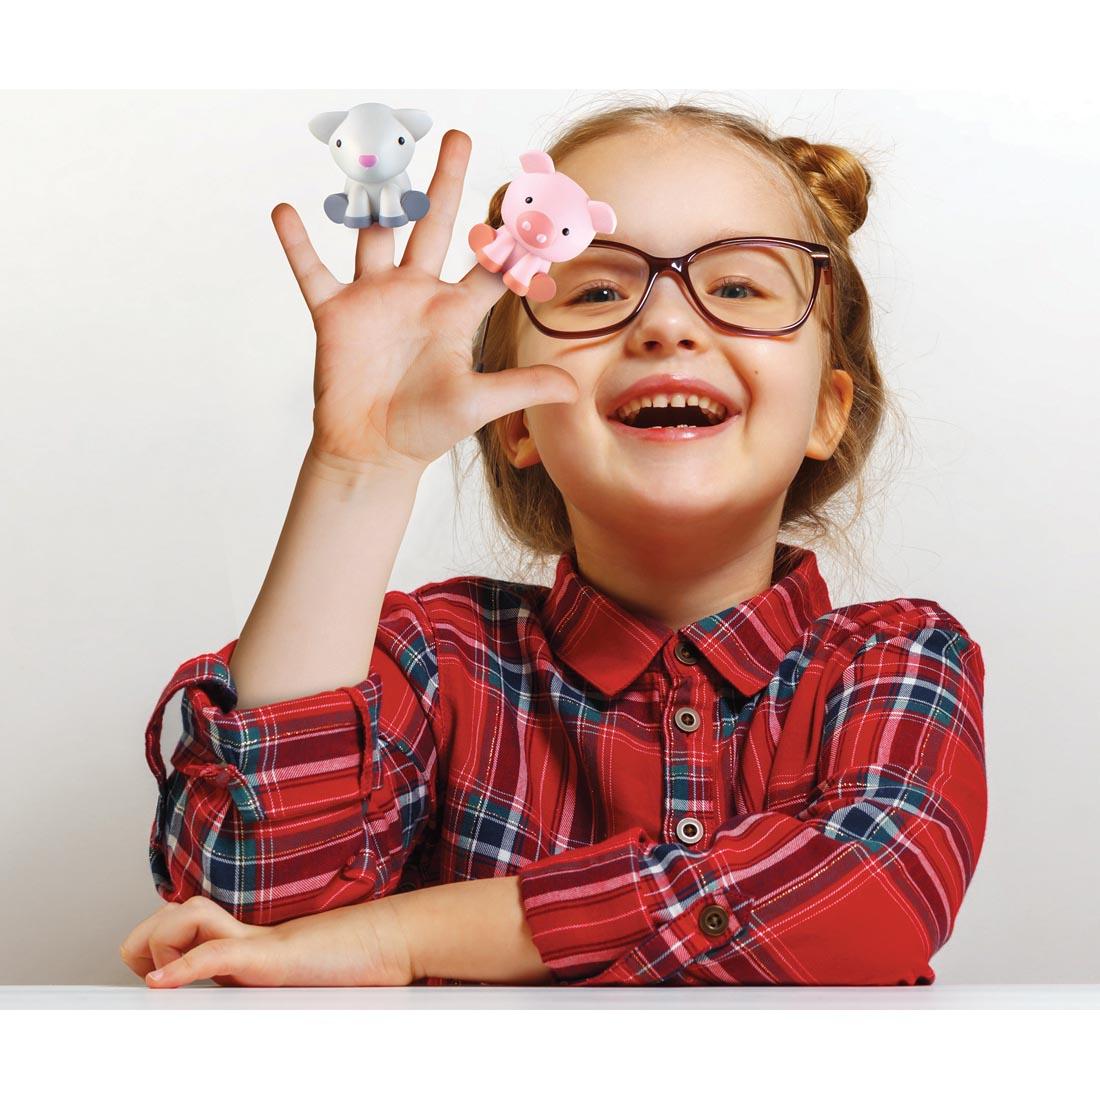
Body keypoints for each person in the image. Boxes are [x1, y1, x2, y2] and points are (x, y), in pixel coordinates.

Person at [123, 100, 987, 990]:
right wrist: (360, 471)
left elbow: (867, 899)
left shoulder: (898, 663)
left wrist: (402, 939)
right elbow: (253, 909)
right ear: (516, 419)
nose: (666, 326)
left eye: (736, 288)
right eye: (599, 292)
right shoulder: (436, 664)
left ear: (826, 411)